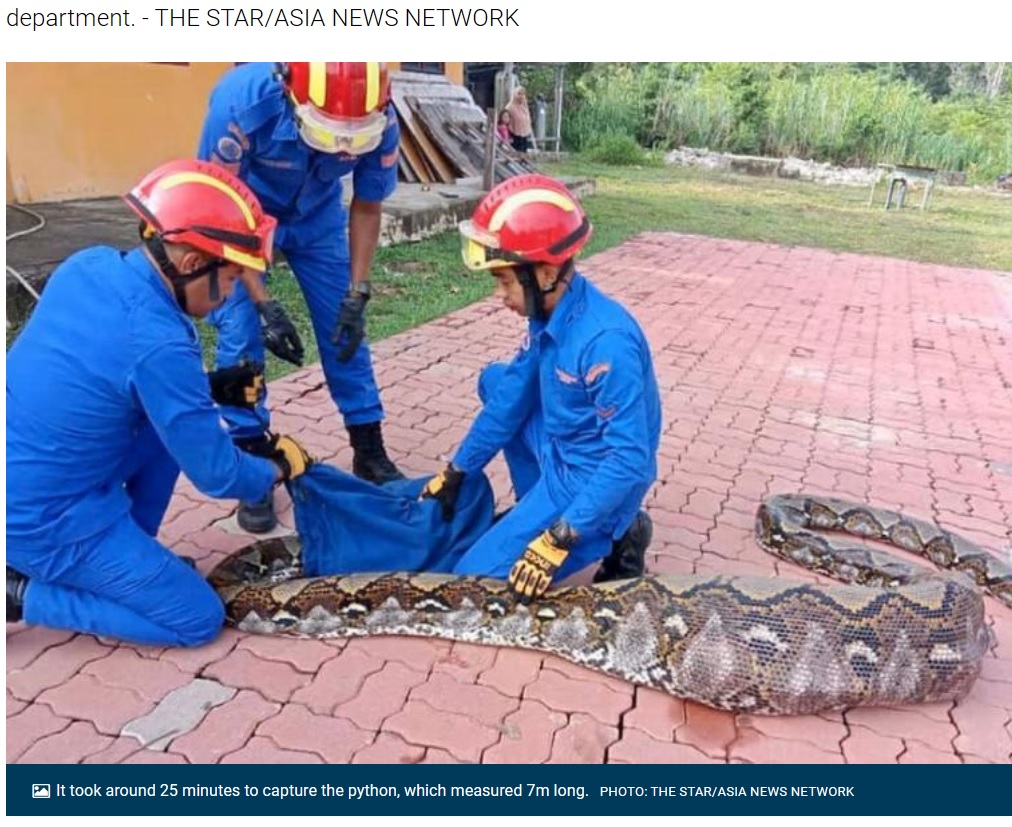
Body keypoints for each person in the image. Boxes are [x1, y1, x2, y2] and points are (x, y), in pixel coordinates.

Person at [5, 159, 313, 647]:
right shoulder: (160, 342)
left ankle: (128, 559)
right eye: (232, 280)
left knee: (162, 431)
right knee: (195, 620)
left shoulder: (90, 264)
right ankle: (20, 595)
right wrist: (277, 467)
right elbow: (217, 475)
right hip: (43, 519)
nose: (231, 294)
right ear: (191, 264)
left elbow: (101, 376)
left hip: (25, 476)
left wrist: (213, 387)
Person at [420, 174, 660, 603]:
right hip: (562, 449)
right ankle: (537, 508)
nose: (499, 295)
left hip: (590, 477)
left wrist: (560, 536)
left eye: (506, 281)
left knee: (471, 581)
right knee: (496, 382)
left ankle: (617, 532)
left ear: (546, 273)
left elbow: (630, 459)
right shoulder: (547, 315)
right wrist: (458, 470)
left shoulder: (606, 345)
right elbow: (511, 395)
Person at [198, 61, 406, 535]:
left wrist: (358, 292)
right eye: (328, 132)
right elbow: (220, 209)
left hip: (317, 219)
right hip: (242, 219)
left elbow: (368, 204)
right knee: (240, 335)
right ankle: (252, 464)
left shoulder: (383, 116)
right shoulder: (238, 107)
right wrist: (262, 302)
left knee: (345, 329)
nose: (340, 144)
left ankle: (369, 449)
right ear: (292, 94)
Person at [505, 87, 535, 156]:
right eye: (519, 94)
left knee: (524, 153)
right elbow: (505, 120)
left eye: (523, 94)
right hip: (514, 135)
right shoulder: (510, 107)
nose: (521, 96)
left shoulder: (524, 106)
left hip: (525, 134)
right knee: (517, 153)